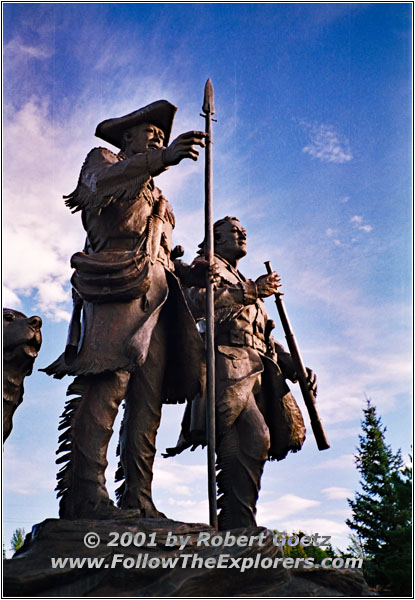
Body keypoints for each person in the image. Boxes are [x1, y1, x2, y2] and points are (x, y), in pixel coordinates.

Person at [43, 101, 207, 519]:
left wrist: (191, 273)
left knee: (147, 403)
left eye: (162, 135)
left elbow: (161, 253)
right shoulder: (104, 161)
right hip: (116, 285)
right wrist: (158, 160)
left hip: (159, 298)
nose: (158, 137)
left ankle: (139, 496)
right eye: (150, 130)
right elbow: (93, 190)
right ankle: (86, 494)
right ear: (127, 136)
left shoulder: (159, 194)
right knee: (106, 386)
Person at [165, 216, 317, 530]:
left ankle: (237, 523)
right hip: (227, 366)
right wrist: (251, 290)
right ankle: (238, 524)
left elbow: (260, 333)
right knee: (253, 436)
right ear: (215, 238)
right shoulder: (205, 266)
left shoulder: (238, 275)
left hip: (258, 368)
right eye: (234, 230)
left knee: (255, 440)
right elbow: (198, 306)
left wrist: (293, 365)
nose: (242, 234)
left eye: (244, 230)